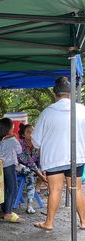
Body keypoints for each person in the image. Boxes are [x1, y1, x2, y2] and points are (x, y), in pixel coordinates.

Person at [32, 76, 85, 231]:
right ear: (71, 93)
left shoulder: (47, 113)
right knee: (76, 189)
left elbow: (35, 141)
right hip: (77, 156)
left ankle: (49, 223)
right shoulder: (81, 109)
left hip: (54, 158)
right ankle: (84, 221)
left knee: (55, 189)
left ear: (55, 94)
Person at [0, 117, 23, 223]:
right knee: (12, 188)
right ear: (9, 129)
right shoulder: (12, 140)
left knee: (5, 188)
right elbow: (19, 151)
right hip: (10, 166)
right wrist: (16, 139)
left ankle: (5, 208)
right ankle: (8, 213)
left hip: (1, 166)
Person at [17, 123, 46, 214]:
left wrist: (43, 171)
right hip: (17, 166)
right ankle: (30, 203)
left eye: (33, 131)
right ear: (23, 135)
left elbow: (40, 160)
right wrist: (41, 175)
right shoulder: (20, 144)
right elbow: (29, 161)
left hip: (32, 169)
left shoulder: (36, 145)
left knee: (34, 172)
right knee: (30, 172)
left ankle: (30, 202)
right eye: (29, 132)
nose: (32, 134)